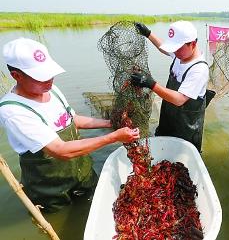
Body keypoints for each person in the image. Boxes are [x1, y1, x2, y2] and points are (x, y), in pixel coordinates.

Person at [0, 38, 140, 212]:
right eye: (41, 77)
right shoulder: (13, 111)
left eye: (50, 74)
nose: (49, 81)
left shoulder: (50, 89)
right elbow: (60, 150)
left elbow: (70, 119)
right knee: (61, 218)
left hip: (81, 171)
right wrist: (113, 137)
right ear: (16, 76)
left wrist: (111, 123)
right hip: (50, 189)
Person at [131, 21, 211, 152]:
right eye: (173, 47)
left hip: (187, 129)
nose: (174, 51)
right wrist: (148, 33)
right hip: (168, 118)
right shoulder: (181, 54)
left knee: (182, 159)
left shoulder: (199, 69)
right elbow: (163, 47)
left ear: (193, 44)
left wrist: (151, 84)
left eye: (178, 47)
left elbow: (179, 99)